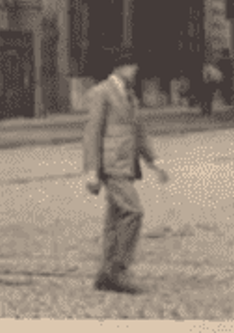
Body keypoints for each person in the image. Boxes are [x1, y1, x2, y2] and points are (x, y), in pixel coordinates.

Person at [82, 48, 169, 294]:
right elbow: (92, 132)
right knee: (133, 212)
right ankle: (119, 270)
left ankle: (106, 274)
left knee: (115, 219)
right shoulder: (101, 93)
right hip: (111, 165)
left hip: (126, 164)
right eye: (132, 66)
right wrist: (91, 171)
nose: (136, 70)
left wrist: (155, 162)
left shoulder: (130, 95)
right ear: (119, 67)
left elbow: (139, 132)